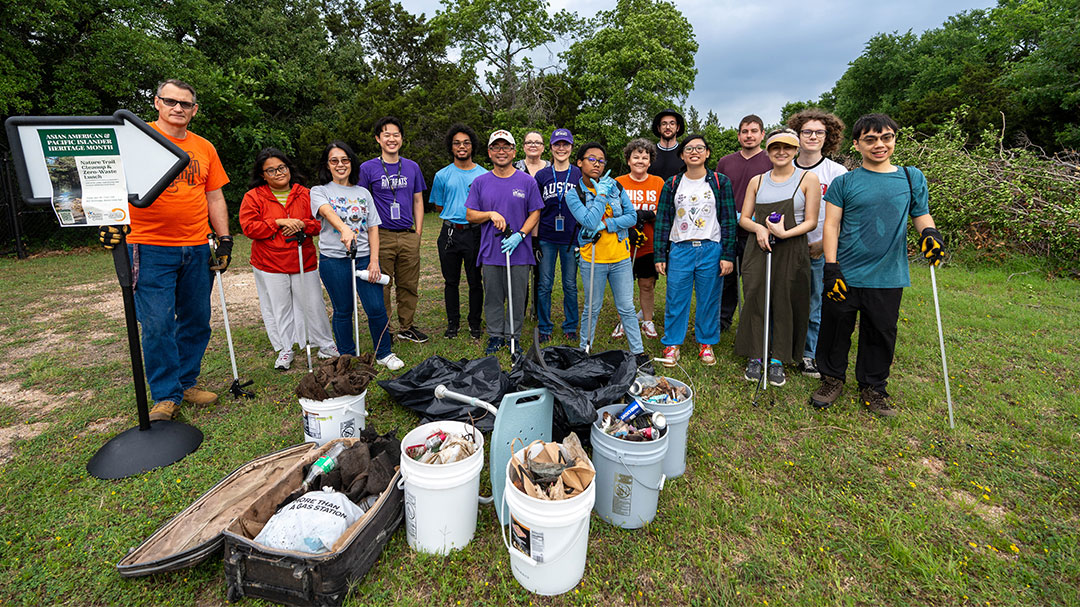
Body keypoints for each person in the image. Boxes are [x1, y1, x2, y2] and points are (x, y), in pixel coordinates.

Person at [98, 79, 230, 422]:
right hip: (148, 246)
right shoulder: (135, 143)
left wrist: (224, 238)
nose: (178, 108)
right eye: (170, 101)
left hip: (198, 246)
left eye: (185, 104)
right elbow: (107, 185)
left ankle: (186, 382)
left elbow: (213, 195)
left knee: (197, 320)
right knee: (157, 324)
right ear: (156, 103)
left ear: (194, 110)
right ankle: (165, 396)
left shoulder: (204, 148)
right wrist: (106, 221)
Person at [810, 113, 945, 417]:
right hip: (845, 271)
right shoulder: (845, 182)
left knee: (881, 332)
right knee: (834, 329)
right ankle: (831, 379)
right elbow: (831, 226)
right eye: (870, 139)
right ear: (857, 144)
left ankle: (873, 387)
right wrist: (831, 268)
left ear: (894, 140)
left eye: (886, 138)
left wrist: (930, 234)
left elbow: (921, 215)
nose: (879, 145)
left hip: (888, 273)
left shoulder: (912, 178)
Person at [734, 129, 821, 386]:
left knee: (784, 300)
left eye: (787, 147)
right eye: (775, 148)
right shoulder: (757, 181)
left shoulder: (808, 179)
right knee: (755, 297)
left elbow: (812, 221)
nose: (781, 152)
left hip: (791, 249)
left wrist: (785, 233)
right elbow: (744, 218)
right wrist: (760, 228)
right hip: (758, 248)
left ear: (796, 150)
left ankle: (778, 359)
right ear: (768, 151)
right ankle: (756, 353)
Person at [239, 148, 337, 370]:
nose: (278, 173)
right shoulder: (253, 196)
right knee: (279, 307)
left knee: (313, 304)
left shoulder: (306, 193)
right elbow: (249, 227)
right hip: (270, 262)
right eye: (271, 171)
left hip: (303, 258)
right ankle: (286, 349)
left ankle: (326, 344)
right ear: (263, 175)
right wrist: (279, 223)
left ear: (288, 168)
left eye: (281, 168)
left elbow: (318, 224)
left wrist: (302, 224)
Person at [312, 141, 404, 370]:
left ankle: (384, 353)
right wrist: (344, 229)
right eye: (334, 161)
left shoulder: (363, 192)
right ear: (328, 165)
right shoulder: (319, 190)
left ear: (352, 163)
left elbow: (373, 227)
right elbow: (326, 211)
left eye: (345, 160)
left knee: (376, 308)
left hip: (364, 258)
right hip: (333, 260)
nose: (340, 165)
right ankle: (347, 357)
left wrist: (374, 261)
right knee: (343, 310)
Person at [565, 142, 653, 372]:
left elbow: (632, 217)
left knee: (626, 306)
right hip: (592, 259)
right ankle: (585, 350)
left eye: (601, 160)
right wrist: (600, 196)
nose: (597, 164)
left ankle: (638, 353)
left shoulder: (615, 186)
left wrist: (607, 223)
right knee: (592, 307)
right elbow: (588, 222)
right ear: (580, 162)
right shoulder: (573, 195)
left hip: (620, 257)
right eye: (591, 159)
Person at [653, 135, 737, 366]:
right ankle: (672, 344)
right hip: (680, 249)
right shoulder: (672, 184)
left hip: (711, 248)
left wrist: (728, 255)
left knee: (709, 299)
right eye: (689, 148)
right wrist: (660, 254)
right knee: (675, 298)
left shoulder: (720, 182)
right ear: (682, 155)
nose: (694, 152)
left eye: (700, 148)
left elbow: (729, 220)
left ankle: (706, 343)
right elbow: (662, 220)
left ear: (708, 153)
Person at [465, 129, 544, 354]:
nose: (502, 152)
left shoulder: (527, 181)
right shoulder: (480, 182)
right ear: (489, 152)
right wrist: (489, 214)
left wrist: (520, 234)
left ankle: (513, 336)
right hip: (491, 250)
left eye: (506, 147)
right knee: (493, 296)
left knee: (517, 296)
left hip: (519, 251)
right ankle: (496, 336)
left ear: (514, 152)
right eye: (497, 147)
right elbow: (470, 214)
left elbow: (535, 212)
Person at [787, 108, 848, 378]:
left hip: (819, 247)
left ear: (828, 137)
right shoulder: (784, 168)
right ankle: (783, 349)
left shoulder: (836, 172)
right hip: (787, 247)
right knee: (785, 299)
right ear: (797, 135)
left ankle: (809, 354)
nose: (812, 136)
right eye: (807, 131)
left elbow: (845, 214)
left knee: (814, 303)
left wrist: (824, 244)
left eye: (819, 132)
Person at [358, 116, 429, 343]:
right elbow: (361, 202)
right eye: (386, 135)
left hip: (408, 234)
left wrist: (417, 233)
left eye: (396, 135)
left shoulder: (412, 167)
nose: (391, 139)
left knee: (409, 284)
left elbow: (418, 200)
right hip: (382, 234)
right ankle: (385, 330)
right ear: (378, 139)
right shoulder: (367, 168)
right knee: (383, 285)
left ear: (402, 139)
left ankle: (407, 326)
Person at [431, 124, 488, 339]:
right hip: (450, 234)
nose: (461, 146)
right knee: (451, 281)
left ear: (472, 146)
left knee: (475, 281)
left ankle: (475, 323)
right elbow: (438, 205)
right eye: (457, 143)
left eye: (466, 142)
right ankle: (452, 325)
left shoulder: (483, 174)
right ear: (451, 147)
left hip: (475, 233)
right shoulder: (442, 175)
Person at [716, 114, 772, 333]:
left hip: (758, 230)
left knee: (754, 281)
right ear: (739, 135)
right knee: (727, 279)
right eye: (745, 132)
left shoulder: (770, 160)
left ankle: (752, 325)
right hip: (729, 230)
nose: (749, 136)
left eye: (754, 131)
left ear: (762, 134)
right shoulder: (726, 161)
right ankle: (722, 321)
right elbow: (718, 194)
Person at [613, 138, 664, 340]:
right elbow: (612, 212)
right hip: (624, 242)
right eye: (636, 157)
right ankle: (624, 321)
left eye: (645, 157)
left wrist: (650, 214)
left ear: (650, 161)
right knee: (623, 286)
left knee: (646, 284)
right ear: (628, 160)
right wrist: (628, 223)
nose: (640, 160)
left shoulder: (658, 182)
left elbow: (664, 211)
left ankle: (647, 321)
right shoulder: (619, 182)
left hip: (648, 243)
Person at [534, 128, 582, 343]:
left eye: (565, 144)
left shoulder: (579, 174)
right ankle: (544, 326)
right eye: (557, 144)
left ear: (571, 147)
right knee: (544, 284)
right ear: (551, 148)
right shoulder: (542, 175)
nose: (561, 148)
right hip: (546, 237)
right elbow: (535, 208)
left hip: (571, 238)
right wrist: (534, 239)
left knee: (570, 285)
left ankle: (570, 325)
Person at [649, 109, 686, 180]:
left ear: (677, 128)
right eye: (664, 124)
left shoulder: (685, 153)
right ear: (659, 128)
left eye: (672, 123)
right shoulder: (649, 152)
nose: (668, 127)